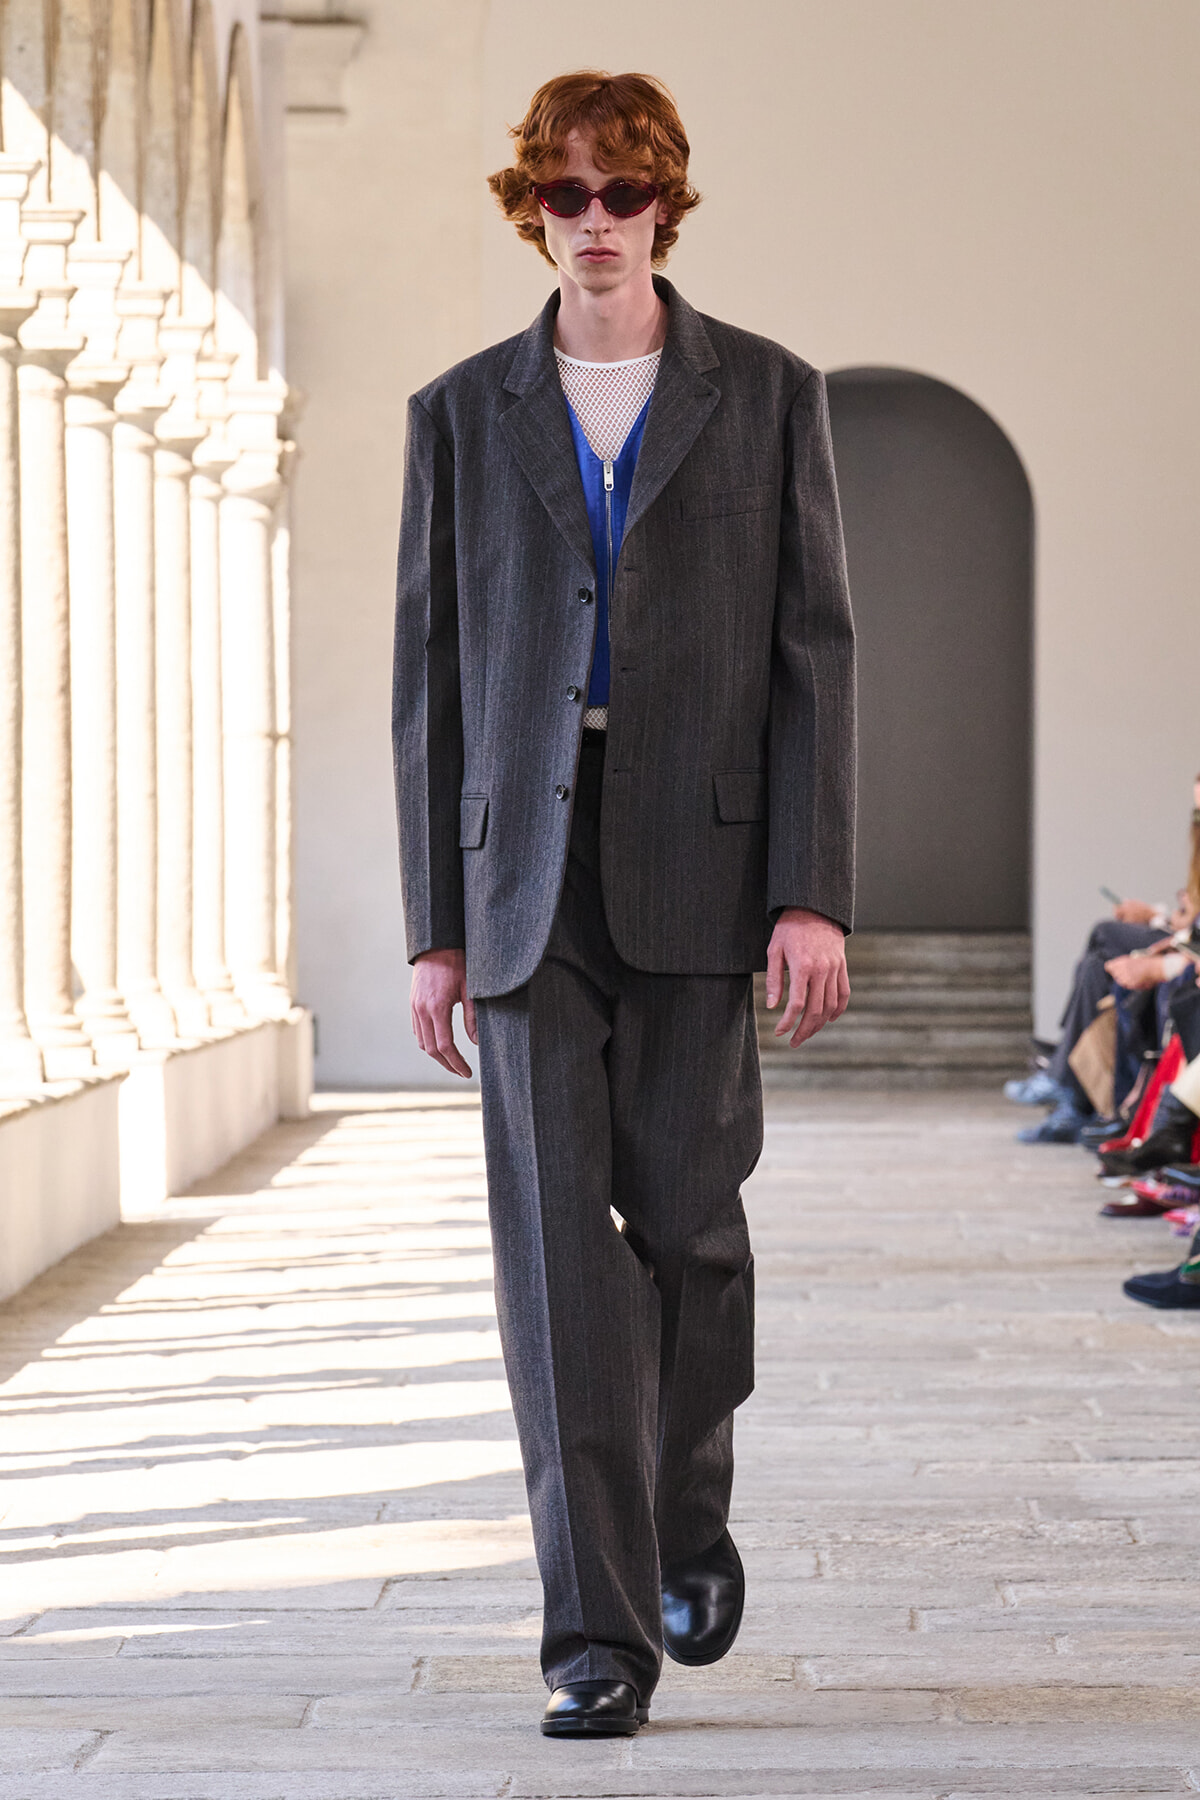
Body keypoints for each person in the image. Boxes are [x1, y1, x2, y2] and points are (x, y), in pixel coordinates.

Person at [392, 71, 856, 1738]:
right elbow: (428, 677)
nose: (595, 221)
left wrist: (812, 891)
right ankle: (593, 1631)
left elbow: (815, 661)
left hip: (704, 864)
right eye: (565, 195)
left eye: (622, 193)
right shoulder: (461, 411)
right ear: (530, 209)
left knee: (691, 1228)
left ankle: (683, 1509)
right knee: (551, 1261)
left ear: (667, 204)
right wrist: (432, 925)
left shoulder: (772, 395)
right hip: (521, 880)